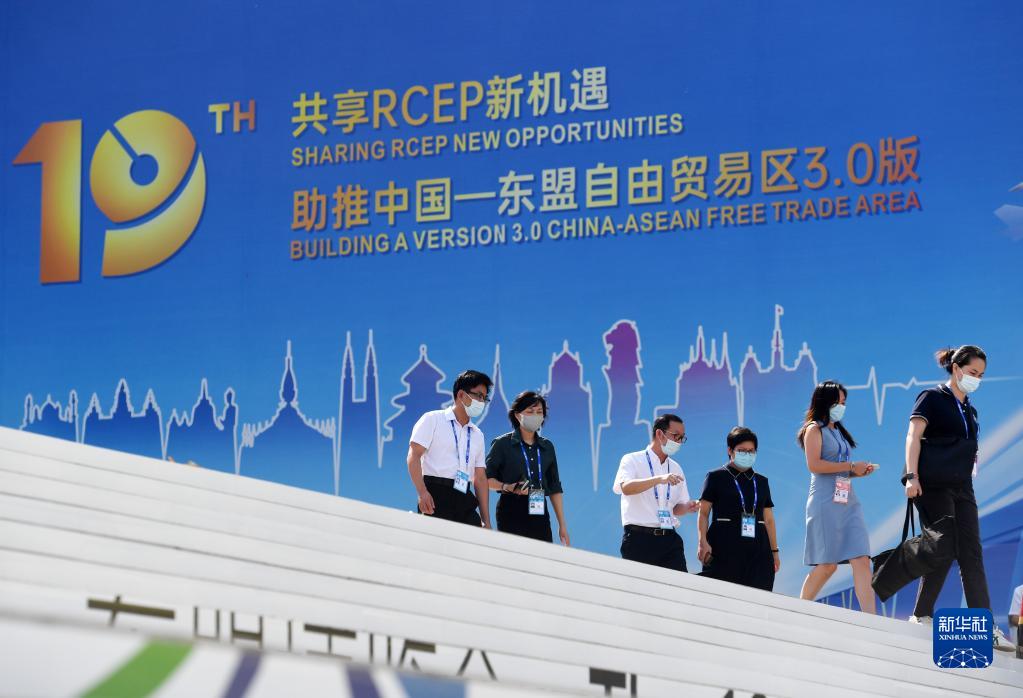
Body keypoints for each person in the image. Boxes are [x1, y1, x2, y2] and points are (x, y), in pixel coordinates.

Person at [903, 346, 1013, 651]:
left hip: (963, 486)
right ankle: (921, 614)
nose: (976, 379)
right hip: (932, 483)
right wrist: (911, 476)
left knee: (971, 552)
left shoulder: (970, 410)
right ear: (956, 368)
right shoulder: (931, 397)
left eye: (981, 375)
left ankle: (984, 626)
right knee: (945, 545)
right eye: (972, 372)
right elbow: (913, 436)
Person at [797, 381, 878, 613]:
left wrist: (857, 471)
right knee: (828, 565)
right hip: (825, 501)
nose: (841, 407)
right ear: (824, 402)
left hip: (847, 501)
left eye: (843, 402)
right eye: (837, 402)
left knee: (862, 559)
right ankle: (798, 610)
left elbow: (839, 467)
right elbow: (814, 465)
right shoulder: (814, 429)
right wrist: (851, 465)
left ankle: (872, 620)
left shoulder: (838, 430)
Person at [613, 414, 700, 571]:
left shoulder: (676, 468)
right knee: (639, 585)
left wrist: (688, 507)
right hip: (639, 539)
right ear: (659, 434)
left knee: (679, 584)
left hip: (669, 539)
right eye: (676, 436)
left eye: (682, 438)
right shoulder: (632, 459)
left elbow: (676, 509)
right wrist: (659, 479)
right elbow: (625, 487)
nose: (679, 442)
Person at [696, 427, 779, 591]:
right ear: (730, 450)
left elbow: (769, 520)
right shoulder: (715, 477)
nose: (747, 454)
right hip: (724, 545)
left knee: (758, 598)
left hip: (758, 549)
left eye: (751, 451)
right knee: (721, 595)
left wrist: (774, 552)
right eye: (742, 450)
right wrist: (702, 542)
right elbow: (703, 513)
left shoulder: (761, 481)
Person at [407, 370, 493, 528]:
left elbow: (480, 478)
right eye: (479, 395)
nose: (482, 402)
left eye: (484, 398)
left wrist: (486, 520)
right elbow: (414, 456)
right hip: (436, 494)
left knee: (471, 541)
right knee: (436, 542)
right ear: (461, 395)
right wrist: (422, 492)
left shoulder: (477, 434)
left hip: (464, 495)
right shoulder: (432, 419)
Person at [485, 391, 569, 545]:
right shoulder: (502, 444)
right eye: (530, 412)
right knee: (514, 555)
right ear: (517, 415)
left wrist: (562, 525)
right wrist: (506, 487)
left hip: (539, 507)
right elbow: (486, 480)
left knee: (542, 556)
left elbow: (554, 487)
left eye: (539, 412)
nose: (535, 416)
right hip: (511, 507)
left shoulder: (547, 446)